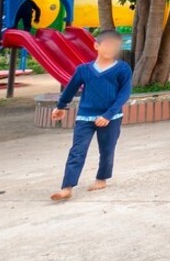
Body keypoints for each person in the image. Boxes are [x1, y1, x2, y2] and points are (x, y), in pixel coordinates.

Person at [49, 30, 132, 202]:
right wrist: (60, 106)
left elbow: (124, 94)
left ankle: (101, 179)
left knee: (107, 150)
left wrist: (109, 115)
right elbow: (70, 89)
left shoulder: (123, 69)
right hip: (85, 117)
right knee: (77, 151)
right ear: (97, 45)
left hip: (111, 118)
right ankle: (67, 187)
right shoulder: (83, 70)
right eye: (107, 45)